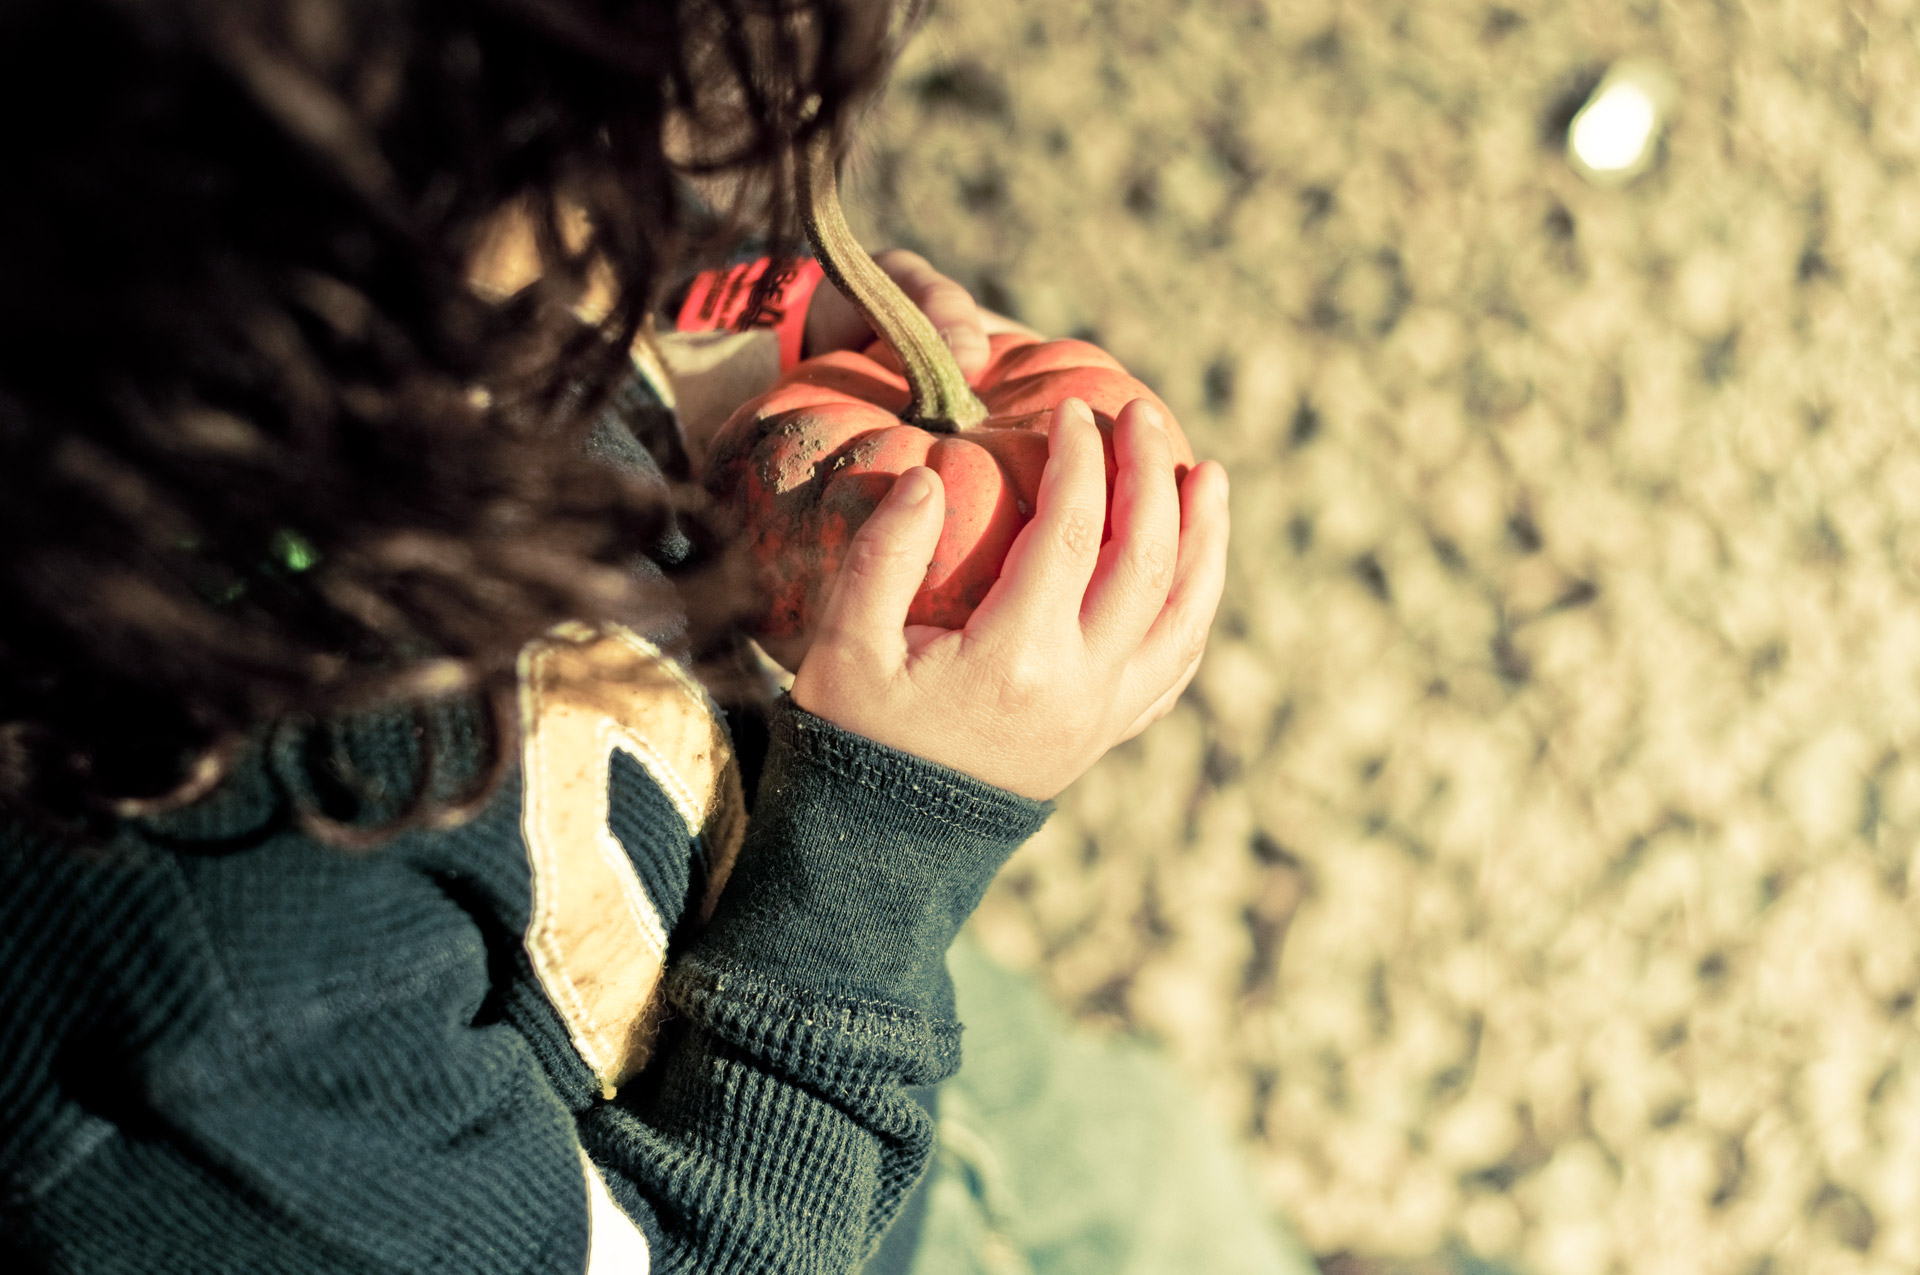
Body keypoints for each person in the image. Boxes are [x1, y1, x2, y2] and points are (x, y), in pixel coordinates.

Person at [0, 1, 1231, 1272]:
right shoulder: (212, 1007)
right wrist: (901, 831)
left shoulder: (321, 309)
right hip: (799, 1123)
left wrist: (741, 326)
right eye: (575, 166)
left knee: (1155, 1170)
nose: (614, 228)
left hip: (834, 966)